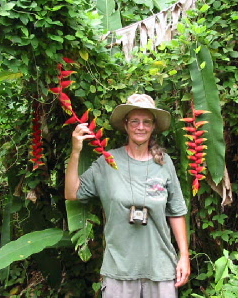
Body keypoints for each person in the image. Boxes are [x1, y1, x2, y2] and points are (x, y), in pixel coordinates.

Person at [65, 94, 190, 298]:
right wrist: (76, 151)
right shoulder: (107, 161)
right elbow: (72, 193)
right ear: (126, 125)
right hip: (119, 270)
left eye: (146, 122)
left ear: (153, 126)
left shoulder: (164, 163)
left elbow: (176, 212)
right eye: (135, 121)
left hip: (160, 268)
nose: (140, 127)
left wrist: (184, 256)